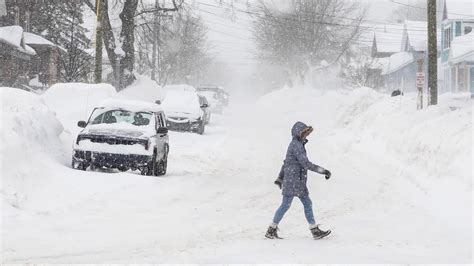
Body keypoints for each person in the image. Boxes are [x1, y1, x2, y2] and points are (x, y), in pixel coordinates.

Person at [266, 121, 332, 240]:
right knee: (296, 204)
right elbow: (305, 163)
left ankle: (272, 229)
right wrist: (323, 171)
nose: (306, 135)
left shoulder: (295, 144)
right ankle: (313, 230)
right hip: (295, 181)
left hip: (295, 180)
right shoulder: (297, 145)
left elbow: (286, 162)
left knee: (291, 205)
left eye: (307, 133)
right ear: (298, 133)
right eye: (304, 133)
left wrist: (280, 177)